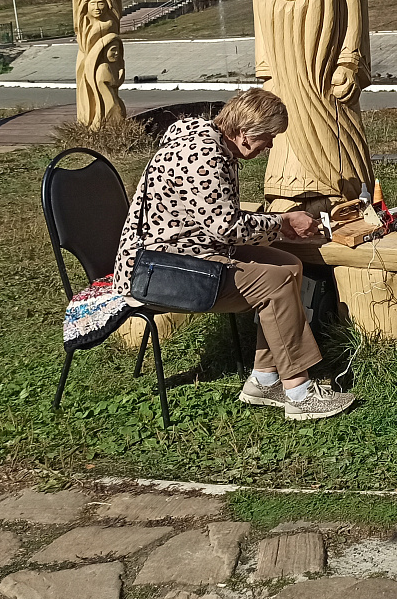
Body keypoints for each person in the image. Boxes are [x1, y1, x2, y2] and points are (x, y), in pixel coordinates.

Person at [114, 87, 357, 421]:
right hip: (161, 272)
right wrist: (283, 222)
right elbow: (226, 227)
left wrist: (277, 227)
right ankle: (299, 392)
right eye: (268, 137)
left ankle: (265, 378)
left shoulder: (209, 142)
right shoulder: (203, 156)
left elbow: (213, 220)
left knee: (287, 264)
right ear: (244, 133)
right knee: (275, 281)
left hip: (182, 255)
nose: (270, 145)